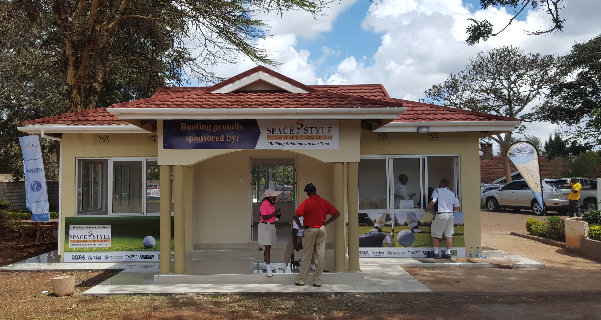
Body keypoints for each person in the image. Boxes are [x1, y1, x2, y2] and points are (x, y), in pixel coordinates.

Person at [293, 183, 340, 287]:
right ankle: (317, 280)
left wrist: (300, 226)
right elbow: (337, 213)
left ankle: (301, 279)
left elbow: (295, 215)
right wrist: (327, 222)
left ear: (308, 192)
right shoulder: (324, 202)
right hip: (321, 229)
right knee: (320, 255)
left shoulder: (306, 202)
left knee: (307, 255)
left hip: (310, 230)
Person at [425, 178, 460, 259]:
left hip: (441, 214)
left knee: (435, 234)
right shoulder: (452, 193)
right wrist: (451, 210)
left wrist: (428, 208)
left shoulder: (437, 191)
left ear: (440, 183)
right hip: (450, 215)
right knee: (448, 235)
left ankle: (436, 253)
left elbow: (433, 201)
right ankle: (448, 254)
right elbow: (458, 206)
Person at [258, 189, 281, 277]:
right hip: (265, 226)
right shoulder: (264, 204)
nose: (275, 197)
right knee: (267, 246)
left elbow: (272, 216)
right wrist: (275, 212)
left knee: (268, 245)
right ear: (269, 196)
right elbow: (264, 217)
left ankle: (265, 263)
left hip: (271, 226)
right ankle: (268, 268)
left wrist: (277, 216)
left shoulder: (271, 204)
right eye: (274, 196)